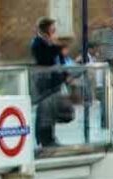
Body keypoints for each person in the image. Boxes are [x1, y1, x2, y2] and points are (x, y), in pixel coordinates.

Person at [29, 17, 63, 148]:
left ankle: (50, 136)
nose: (54, 29)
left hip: (53, 79)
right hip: (45, 80)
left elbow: (58, 59)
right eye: (52, 27)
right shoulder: (38, 42)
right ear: (47, 28)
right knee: (45, 109)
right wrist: (56, 47)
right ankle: (44, 138)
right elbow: (44, 58)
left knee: (51, 110)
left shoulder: (48, 41)